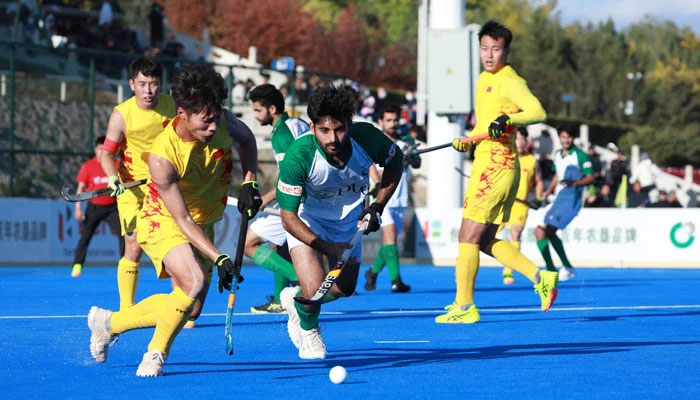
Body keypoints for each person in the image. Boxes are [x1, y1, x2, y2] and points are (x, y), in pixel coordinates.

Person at [87, 64, 262, 377]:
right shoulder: (162, 156)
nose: (212, 128)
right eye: (205, 121)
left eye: (215, 118)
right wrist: (218, 256)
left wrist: (250, 182)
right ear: (182, 113)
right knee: (193, 280)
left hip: (205, 219)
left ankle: (109, 323)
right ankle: (155, 354)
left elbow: (248, 140)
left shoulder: (221, 119)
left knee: (189, 306)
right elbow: (180, 219)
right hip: (163, 220)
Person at [436, 20, 558, 324]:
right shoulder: (483, 79)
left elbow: (538, 111)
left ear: (507, 51)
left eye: (496, 49)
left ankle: (465, 306)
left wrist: (508, 119)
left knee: (467, 236)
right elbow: (484, 126)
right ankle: (541, 278)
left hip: (497, 166)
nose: (489, 54)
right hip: (487, 161)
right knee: (484, 240)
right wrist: (469, 139)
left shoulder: (510, 79)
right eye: (485, 48)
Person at [277, 85, 403, 359]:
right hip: (308, 224)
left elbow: (396, 163)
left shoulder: (366, 137)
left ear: (350, 123)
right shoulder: (298, 157)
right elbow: (287, 217)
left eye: (340, 129)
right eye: (324, 131)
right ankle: (310, 333)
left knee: (344, 289)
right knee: (313, 292)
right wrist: (324, 246)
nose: (333, 138)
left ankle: (294, 300)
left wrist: (377, 205)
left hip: (349, 226)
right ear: (312, 127)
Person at [99, 57, 176, 313]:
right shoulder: (121, 114)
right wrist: (113, 177)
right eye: (142, 84)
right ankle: (126, 310)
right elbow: (107, 153)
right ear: (132, 84)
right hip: (131, 188)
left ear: (161, 84)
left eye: (153, 84)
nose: (148, 91)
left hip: (165, 185)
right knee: (133, 245)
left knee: (175, 243)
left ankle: (182, 306)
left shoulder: (173, 106)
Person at [245, 83, 309, 313]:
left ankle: (300, 280)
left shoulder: (281, 133)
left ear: (272, 109)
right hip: (306, 200)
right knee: (280, 245)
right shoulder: (298, 123)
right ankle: (281, 301)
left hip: (295, 202)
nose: (255, 115)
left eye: (258, 110)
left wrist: (264, 199)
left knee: (249, 244)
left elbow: (291, 178)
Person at [364, 105, 420, 293]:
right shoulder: (376, 141)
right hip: (383, 195)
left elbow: (417, 162)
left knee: (391, 240)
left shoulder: (406, 140)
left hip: (400, 196)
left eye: (395, 120)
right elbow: (369, 163)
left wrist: (408, 158)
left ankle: (373, 271)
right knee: (390, 236)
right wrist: (377, 184)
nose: (392, 124)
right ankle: (396, 280)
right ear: (380, 121)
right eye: (388, 120)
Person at [536, 125, 595, 281]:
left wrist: (574, 183)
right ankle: (554, 269)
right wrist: (547, 191)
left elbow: (591, 177)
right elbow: (557, 175)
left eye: (568, 137)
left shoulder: (581, 156)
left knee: (548, 230)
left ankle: (564, 267)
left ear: (573, 138)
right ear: (559, 138)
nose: (566, 140)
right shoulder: (557, 154)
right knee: (540, 232)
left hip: (572, 199)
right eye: (563, 137)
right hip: (559, 198)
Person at [71, 136, 125, 278]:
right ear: (95, 150)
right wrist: (78, 208)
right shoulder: (88, 166)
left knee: (124, 235)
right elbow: (81, 188)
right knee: (85, 237)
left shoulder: (118, 164)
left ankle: (125, 266)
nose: (102, 152)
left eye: (105, 149)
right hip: (94, 207)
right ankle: (77, 266)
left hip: (113, 207)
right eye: (100, 149)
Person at [497, 127, 543, 285]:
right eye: (518, 139)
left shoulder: (532, 161)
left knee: (515, 233)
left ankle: (508, 272)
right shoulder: (505, 156)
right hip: (502, 202)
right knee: (485, 235)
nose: (521, 142)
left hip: (520, 205)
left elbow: (539, 181)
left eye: (523, 139)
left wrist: (538, 197)